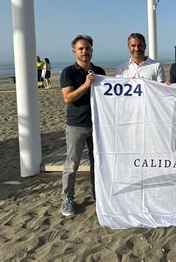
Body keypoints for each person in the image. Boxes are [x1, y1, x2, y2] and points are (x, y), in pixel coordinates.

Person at [59, 35, 105, 217]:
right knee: (72, 164)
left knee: (98, 163)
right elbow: (67, 98)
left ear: (92, 50)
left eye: (87, 48)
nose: (84, 52)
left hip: (99, 125)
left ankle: (98, 195)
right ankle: (67, 198)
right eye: (81, 49)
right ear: (74, 52)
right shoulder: (68, 72)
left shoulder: (100, 71)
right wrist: (86, 85)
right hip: (77, 126)